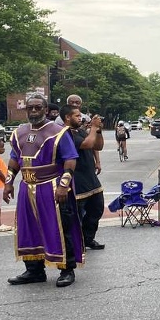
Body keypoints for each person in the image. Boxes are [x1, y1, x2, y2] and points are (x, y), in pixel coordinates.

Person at [4, 94, 84, 288]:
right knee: (27, 227)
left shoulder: (58, 131)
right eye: (30, 108)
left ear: (46, 110)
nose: (33, 111)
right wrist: (8, 182)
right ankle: (34, 270)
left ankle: (67, 269)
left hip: (52, 185)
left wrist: (64, 185)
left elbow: (70, 158)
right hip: (26, 186)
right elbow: (15, 158)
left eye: (38, 108)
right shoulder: (19, 132)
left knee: (59, 227)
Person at [63, 105, 106, 251]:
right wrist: (93, 128)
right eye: (76, 116)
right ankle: (76, 242)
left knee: (97, 209)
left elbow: (97, 146)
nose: (80, 118)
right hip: (77, 179)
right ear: (67, 117)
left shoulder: (80, 130)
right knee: (77, 214)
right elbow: (86, 144)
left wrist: (98, 130)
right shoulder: (66, 134)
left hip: (91, 177)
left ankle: (88, 238)